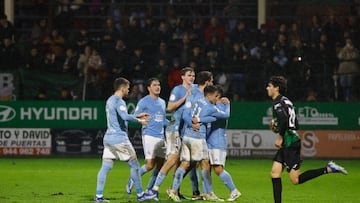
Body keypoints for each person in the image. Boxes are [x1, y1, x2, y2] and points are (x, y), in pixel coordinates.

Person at [266, 76, 348, 203]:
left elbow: (283, 121)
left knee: (295, 180)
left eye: (270, 86)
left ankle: (328, 169)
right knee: (275, 173)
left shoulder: (277, 103)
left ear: (276, 88)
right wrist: (277, 128)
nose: (267, 88)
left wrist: (280, 136)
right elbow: (295, 123)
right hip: (290, 140)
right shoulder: (286, 101)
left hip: (290, 143)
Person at [167, 85, 230, 202]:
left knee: (185, 164)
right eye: (216, 96)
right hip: (198, 138)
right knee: (205, 164)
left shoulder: (194, 99)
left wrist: (192, 123)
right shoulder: (211, 107)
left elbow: (185, 114)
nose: (217, 99)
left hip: (187, 135)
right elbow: (224, 116)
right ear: (210, 95)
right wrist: (227, 105)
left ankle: (173, 190)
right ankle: (209, 193)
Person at [94, 77, 151, 202]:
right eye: (128, 88)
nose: (128, 90)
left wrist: (136, 115)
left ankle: (98, 196)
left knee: (105, 167)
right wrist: (140, 121)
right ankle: (140, 194)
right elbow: (124, 116)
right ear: (123, 88)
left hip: (108, 138)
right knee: (135, 165)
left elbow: (120, 117)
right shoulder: (119, 101)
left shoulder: (110, 100)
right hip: (119, 139)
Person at [146, 67, 196, 200]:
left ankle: (175, 191)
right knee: (172, 160)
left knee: (180, 163)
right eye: (189, 75)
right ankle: (153, 190)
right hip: (174, 129)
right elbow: (170, 107)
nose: (192, 77)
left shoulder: (194, 90)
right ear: (182, 77)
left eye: (193, 75)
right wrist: (186, 97)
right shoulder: (178, 90)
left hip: (184, 131)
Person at [126, 78, 168, 194]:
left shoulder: (162, 102)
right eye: (154, 85)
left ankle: (150, 190)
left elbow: (163, 120)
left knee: (160, 165)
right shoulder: (144, 101)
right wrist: (141, 118)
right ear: (149, 88)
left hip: (161, 137)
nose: (157, 87)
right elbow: (134, 117)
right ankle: (133, 179)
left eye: (159, 85)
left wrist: (173, 124)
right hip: (149, 135)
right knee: (150, 165)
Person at [206, 85, 241, 202]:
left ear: (219, 96)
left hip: (217, 142)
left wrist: (228, 104)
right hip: (209, 141)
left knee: (218, 168)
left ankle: (234, 191)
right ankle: (208, 193)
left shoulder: (221, 106)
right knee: (207, 167)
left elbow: (226, 115)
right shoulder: (211, 105)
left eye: (216, 95)